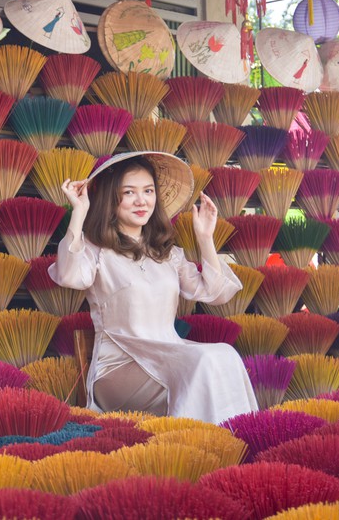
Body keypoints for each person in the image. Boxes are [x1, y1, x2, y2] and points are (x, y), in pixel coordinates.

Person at [48, 151, 258, 424]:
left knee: (226, 355)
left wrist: (206, 238)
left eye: (148, 191)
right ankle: (193, 444)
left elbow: (214, 293)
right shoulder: (96, 251)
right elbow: (69, 275)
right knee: (201, 362)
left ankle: (231, 443)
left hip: (170, 357)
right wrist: (79, 212)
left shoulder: (167, 255)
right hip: (118, 369)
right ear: (111, 199)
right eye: (129, 192)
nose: (141, 201)